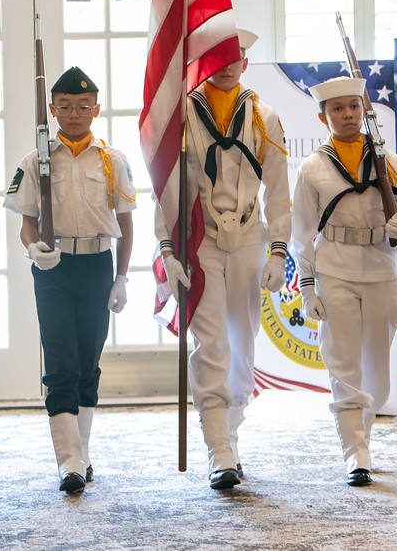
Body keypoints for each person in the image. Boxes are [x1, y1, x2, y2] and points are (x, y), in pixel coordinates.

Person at [154, 30, 291, 490]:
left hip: (250, 236)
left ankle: (231, 433)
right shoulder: (185, 115)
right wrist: (167, 248)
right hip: (203, 239)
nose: (229, 65)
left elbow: (279, 192)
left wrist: (279, 250)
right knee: (210, 338)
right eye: (219, 56)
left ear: (247, 63)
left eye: (238, 57)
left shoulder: (264, 117)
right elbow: (168, 186)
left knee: (244, 338)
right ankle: (218, 450)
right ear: (204, 60)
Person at [3, 66, 136, 494]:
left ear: (96, 109)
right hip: (54, 268)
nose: (74, 114)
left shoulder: (113, 160)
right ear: (52, 109)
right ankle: (70, 463)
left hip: (97, 265)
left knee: (87, 366)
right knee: (60, 363)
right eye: (64, 107)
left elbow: (125, 223)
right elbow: (28, 222)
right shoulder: (36, 160)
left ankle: (83, 450)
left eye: (82, 106)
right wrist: (32, 250)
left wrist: (122, 278)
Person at [290, 76, 397, 487]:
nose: (347, 115)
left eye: (353, 107)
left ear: (365, 110)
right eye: (337, 109)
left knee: (377, 374)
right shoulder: (312, 168)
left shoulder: (388, 161)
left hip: (381, 267)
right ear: (322, 116)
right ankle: (355, 452)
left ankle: (362, 432)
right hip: (335, 268)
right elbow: (301, 234)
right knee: (343, 364)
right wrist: (308, 287)